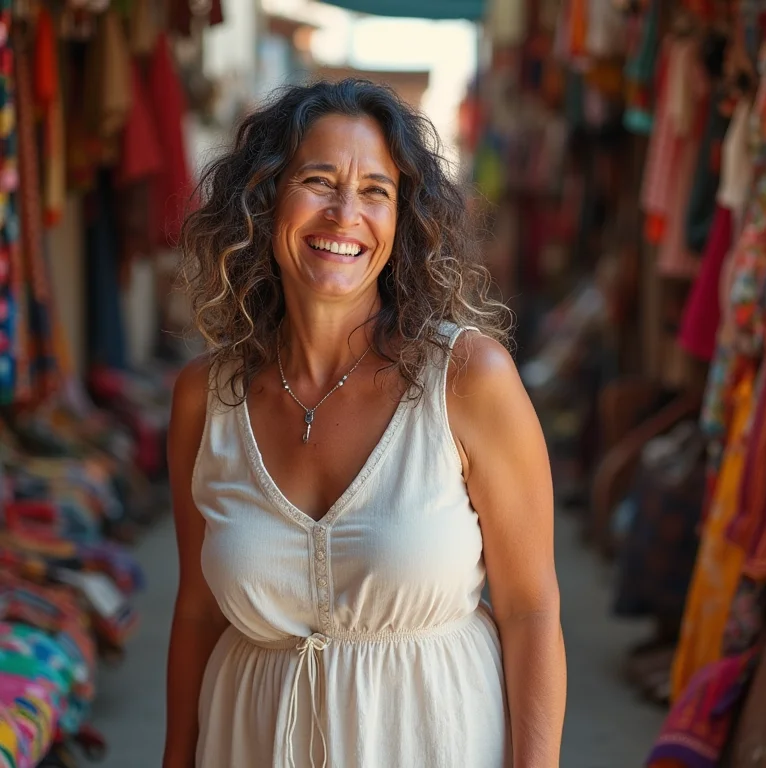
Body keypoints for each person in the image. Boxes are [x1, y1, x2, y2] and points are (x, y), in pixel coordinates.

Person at [163, 79, 566, 768]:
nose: (346, 213)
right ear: (263, 201)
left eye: (376, 190)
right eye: (318, 180)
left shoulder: (469, 380)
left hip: (437, 742)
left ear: (402, 218)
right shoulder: (208, 397)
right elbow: (199, 611)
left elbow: (530, 611)